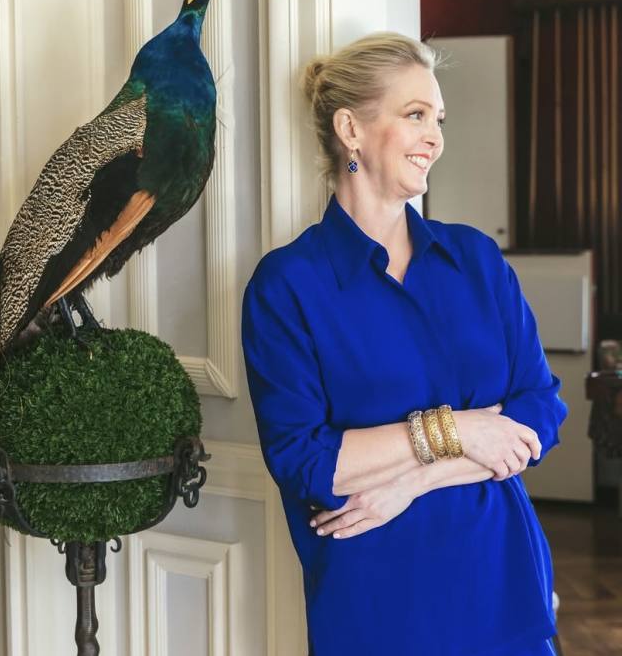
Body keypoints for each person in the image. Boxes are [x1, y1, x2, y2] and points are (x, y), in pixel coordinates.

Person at [241, 32, 569, 655]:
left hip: (503, 587)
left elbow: (541, 412)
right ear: (350, 129)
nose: (435, 138)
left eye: (438, 119)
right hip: (378, 605)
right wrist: (467, 429)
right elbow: (307, 462)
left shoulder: (475, 259)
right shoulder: (288, 285)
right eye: (416, 114)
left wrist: (412, 482)